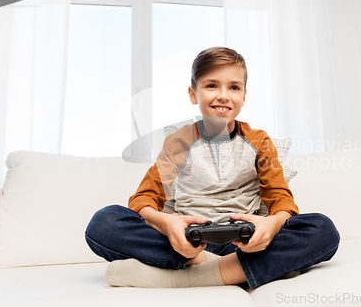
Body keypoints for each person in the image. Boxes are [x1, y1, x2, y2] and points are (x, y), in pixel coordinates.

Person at [85, 46, 340, 289]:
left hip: (244, 243)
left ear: (243, 96)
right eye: (211, 85)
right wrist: (168, 225)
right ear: (193, 94)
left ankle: (189, 277)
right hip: (189, 244)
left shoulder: (259, 141)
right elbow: (143, 200)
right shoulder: (177, 142)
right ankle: (238, 271)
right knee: (104, 223)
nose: (223, 95)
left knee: (323, 230)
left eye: (234, 87)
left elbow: (282, 202)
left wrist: (270, 225)